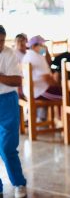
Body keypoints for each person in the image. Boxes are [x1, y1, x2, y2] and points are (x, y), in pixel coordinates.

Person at [0, 25, 27, 198]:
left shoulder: (8, 54)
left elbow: (17, 80)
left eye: (2, 41)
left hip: (7, 100)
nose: (0, 44)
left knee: (7, 146)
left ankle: (19, 183)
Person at [22, 35, 62, 101]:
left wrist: (46, 52)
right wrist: (58, 86)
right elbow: (47, 79)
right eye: (42, 45)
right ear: (33, 46)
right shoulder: (37, 57)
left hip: (29, 91)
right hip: (39, 91)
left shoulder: (28, 55)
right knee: (69, 96)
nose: (44, 47)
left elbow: (49, 63)